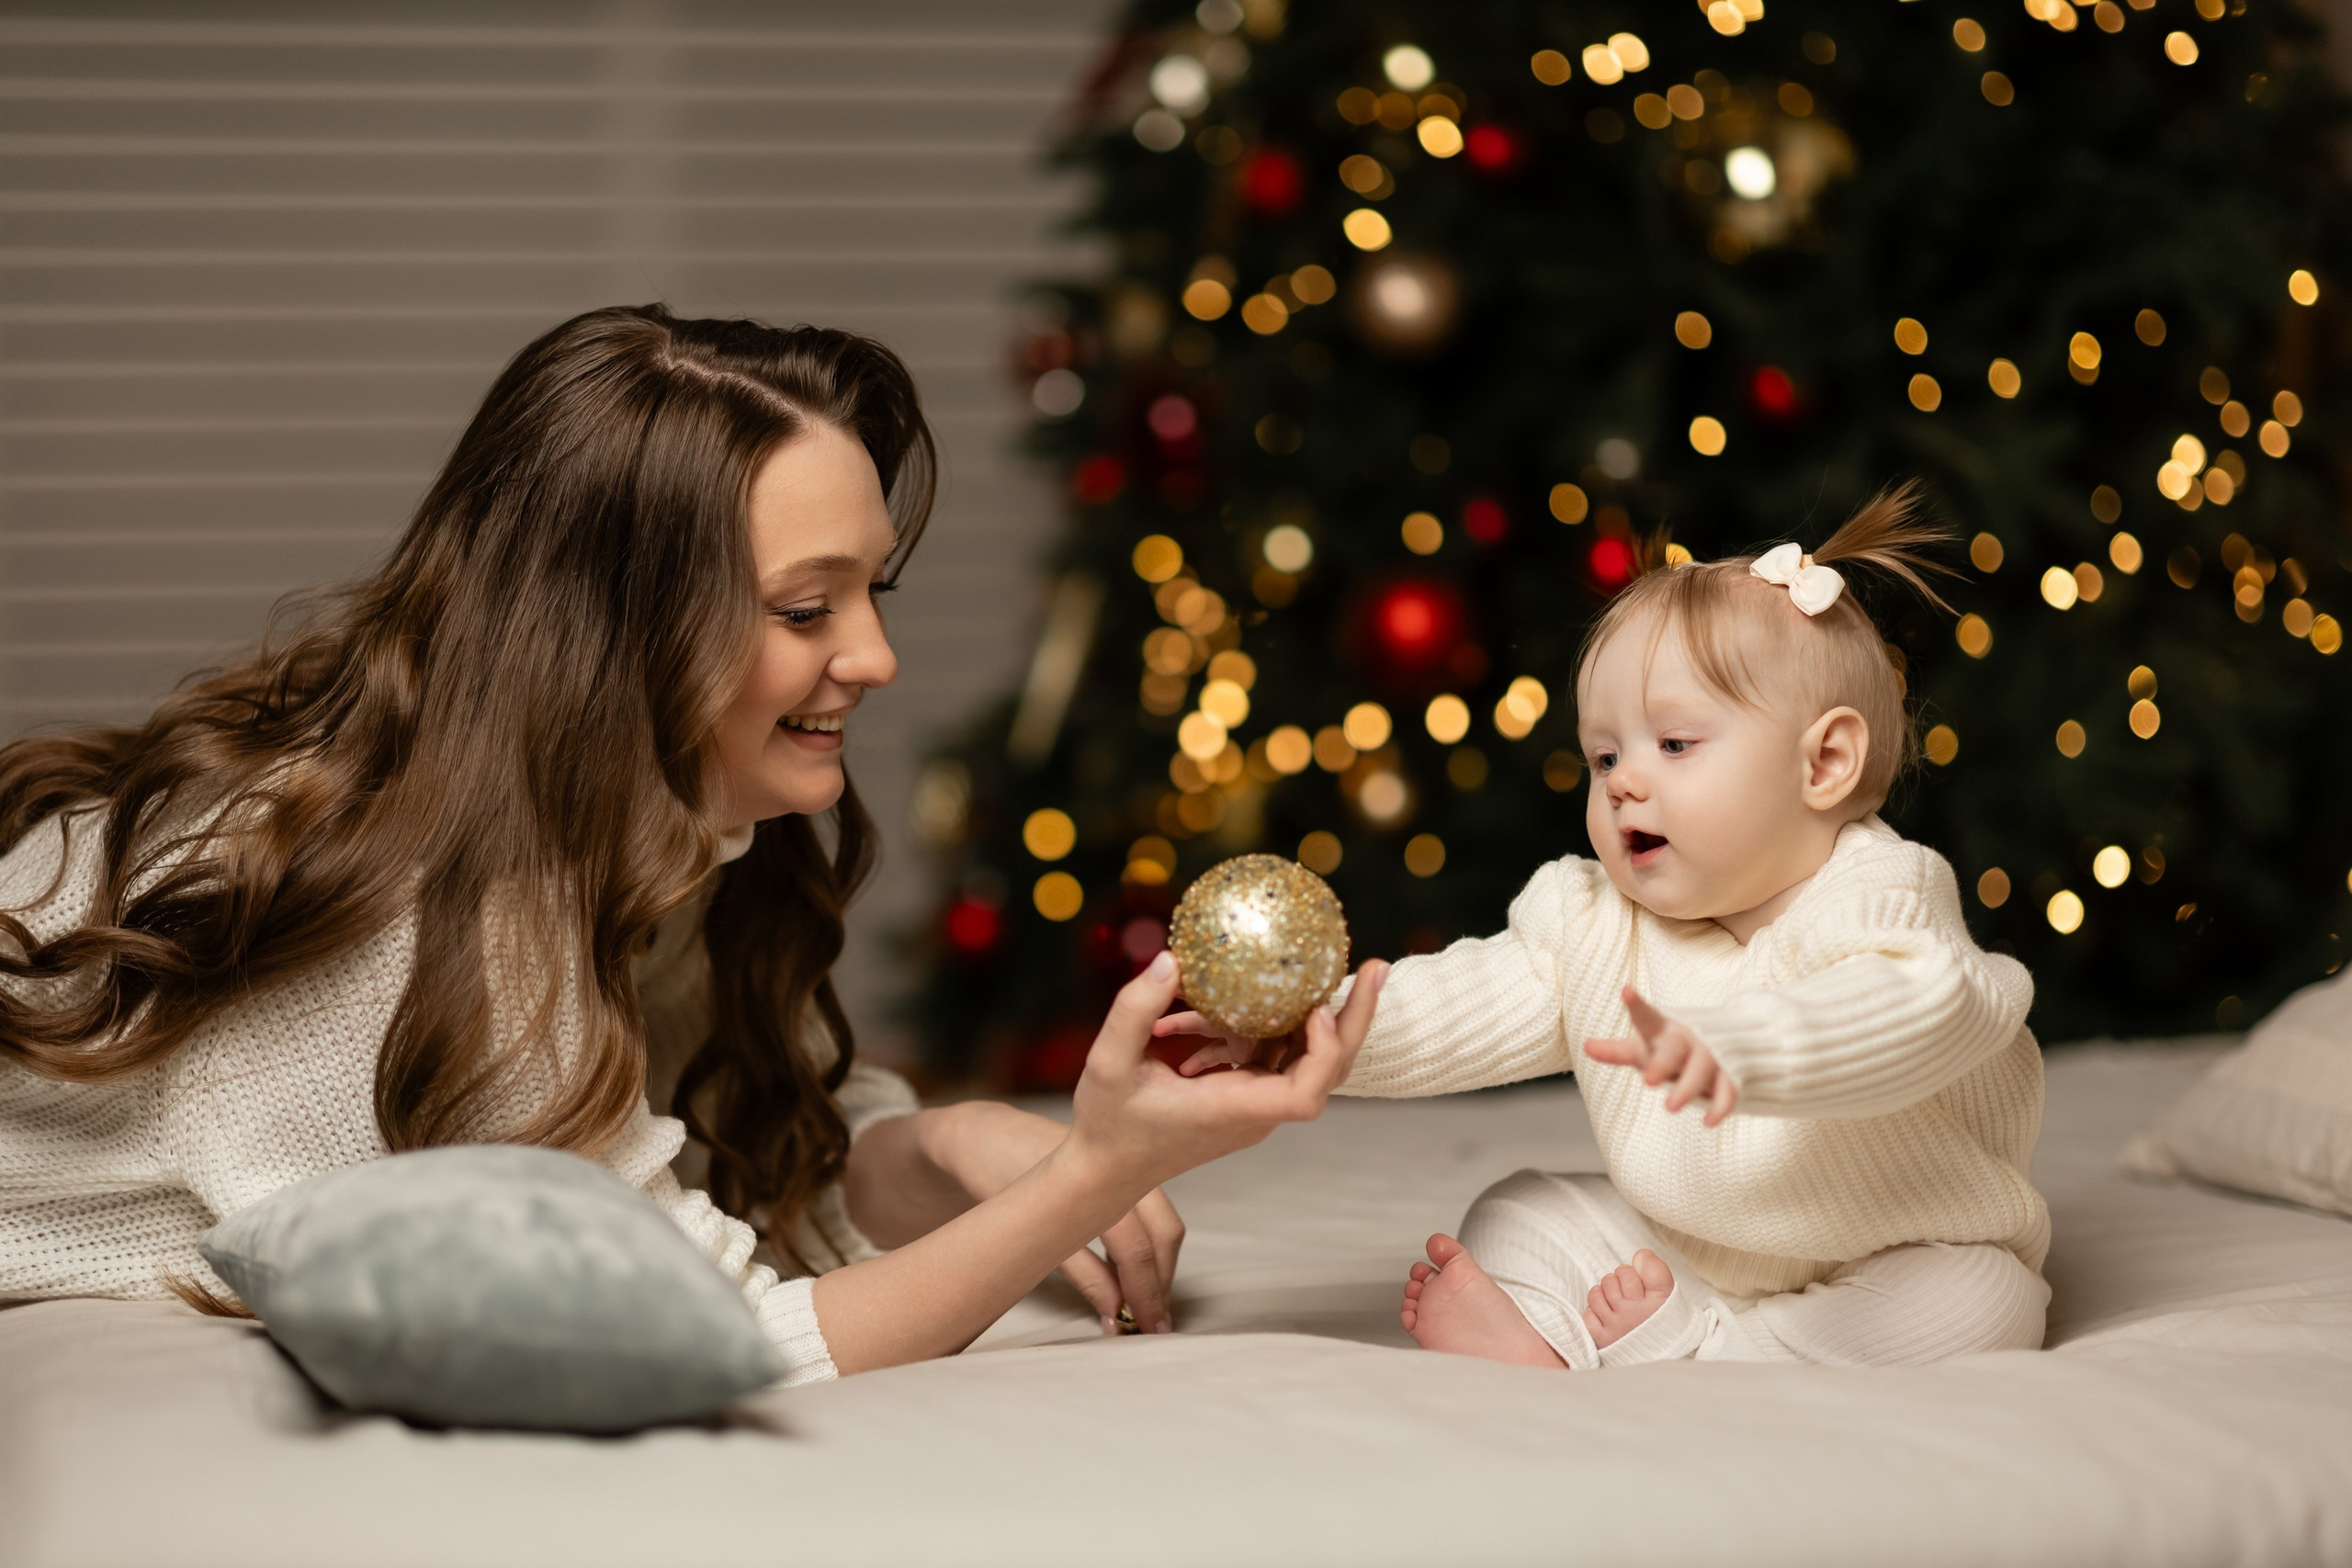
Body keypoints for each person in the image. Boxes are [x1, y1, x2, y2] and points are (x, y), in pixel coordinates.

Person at [0, 305, 1387, 1386]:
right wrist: (1099, 1166)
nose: (878, 655)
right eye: (805, 609)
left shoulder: (631, 824)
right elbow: (734, 1337)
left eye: (873, 591)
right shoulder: (418, 917)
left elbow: (716, 1147)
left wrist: (953, 1135)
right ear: (617, 642)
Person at [1160, 488, 2047, 1370]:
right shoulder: (1593, 921)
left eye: (1675, 744)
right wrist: (1301, 1025)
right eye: (1605, 754)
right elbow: (1454, 1003)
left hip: (1891, 1249)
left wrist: (1743, 1047)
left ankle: (1703, 1353)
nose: (1622, 782)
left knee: (1989, 1298)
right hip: (1688, 1249)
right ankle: (1583, 1332)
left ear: (1824, 762)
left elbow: (1919, 1006)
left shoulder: (1883, 891)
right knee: (1517, 1206)